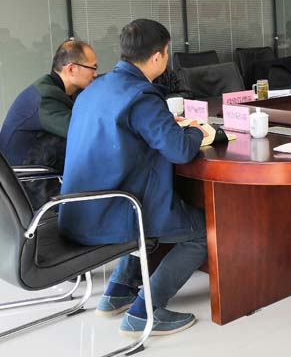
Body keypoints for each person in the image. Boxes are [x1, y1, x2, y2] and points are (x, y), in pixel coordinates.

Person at [59, 19, 208, 336]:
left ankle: (116, 293)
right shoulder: (141, 96)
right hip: (113, 211)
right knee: (204, 231)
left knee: (146, 210)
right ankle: (144, 311)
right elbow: (181, 151)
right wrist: (195, 131)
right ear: (158, 56)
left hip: (78, 207)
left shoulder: (95, 88)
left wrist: (165, 125)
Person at [0, 40, 97, 170]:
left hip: (39, 165)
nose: (95, 74)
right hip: (25, 175)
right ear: (71, 69)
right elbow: (81, 131)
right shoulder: (46, 98)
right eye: (93, 68)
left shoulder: (60, 89)